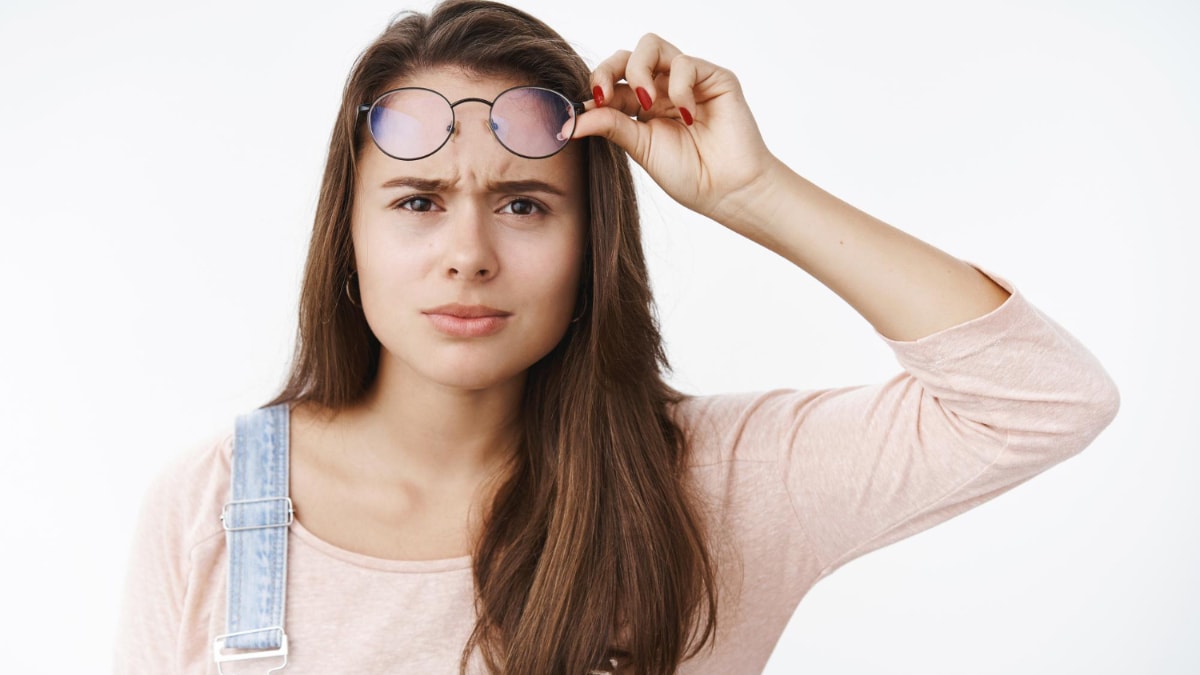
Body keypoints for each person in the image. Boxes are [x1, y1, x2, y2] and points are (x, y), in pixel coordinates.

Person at [113, 0, 1120, 673]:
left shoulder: (715, 483)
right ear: (348, 234)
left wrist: (753, 192)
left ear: (594, 243)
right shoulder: (215, 505)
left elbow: (1038, 402)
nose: (467, 254)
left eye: (524, 206)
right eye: (418, 202)